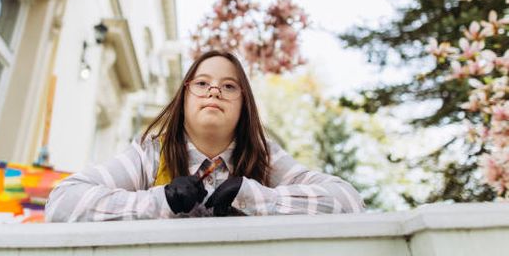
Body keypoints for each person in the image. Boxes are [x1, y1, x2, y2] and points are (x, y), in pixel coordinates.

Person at [45, 50, 364, 222]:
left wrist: (253, 196)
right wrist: (161, 200)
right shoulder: (151, 154)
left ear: (244, 104)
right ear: (184, 97)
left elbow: (348, 202)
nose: (214, 90)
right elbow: (61, 202)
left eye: (228, 86)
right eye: (202, 83)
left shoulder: (263, 157)